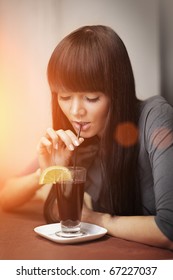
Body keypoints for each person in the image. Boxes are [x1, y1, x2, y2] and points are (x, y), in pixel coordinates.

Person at [0, 25, 173, 250]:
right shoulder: (73, 138)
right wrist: (48, 173)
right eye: (64, 96)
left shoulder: (156, 118)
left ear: (117, 91)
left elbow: (168, 231)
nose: (75, 111)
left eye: (91, 98)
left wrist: (94, 218)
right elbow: (6, 196)